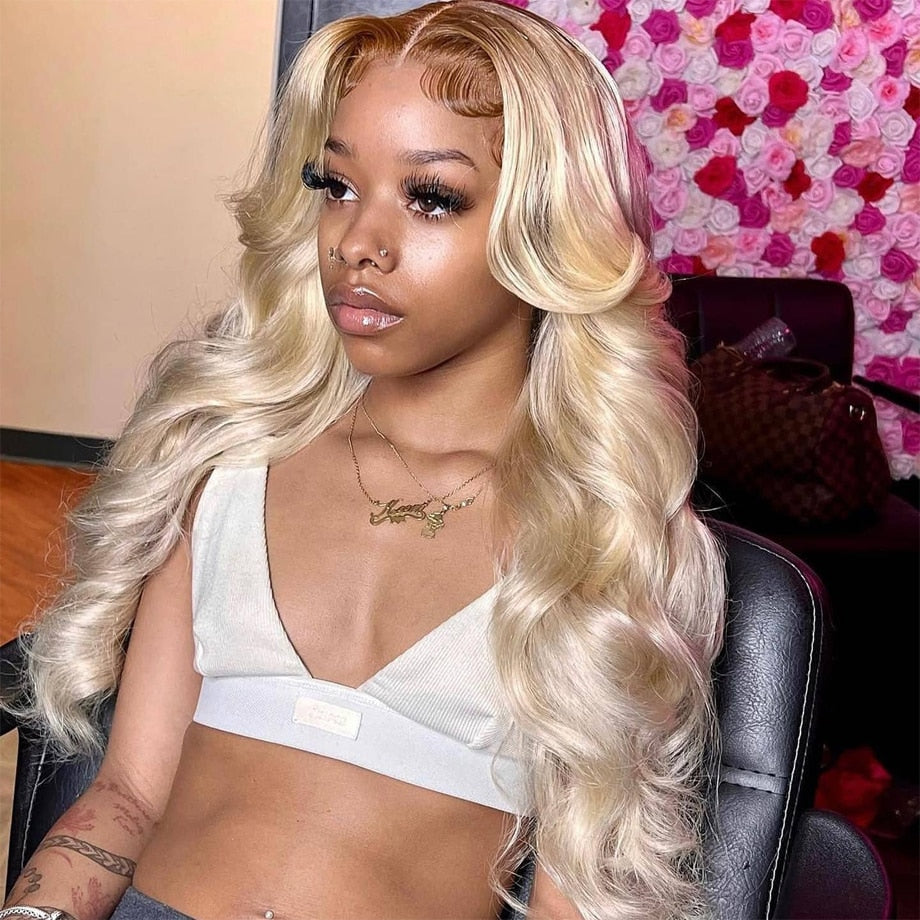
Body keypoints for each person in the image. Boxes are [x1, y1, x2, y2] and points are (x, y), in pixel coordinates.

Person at [1, 2, 727, 918]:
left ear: (546, 227)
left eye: (431, 198)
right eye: (337, 186)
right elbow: (128, 797)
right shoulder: (227, 464)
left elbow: (574, 898)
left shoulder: (599, 539)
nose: (355, 244)